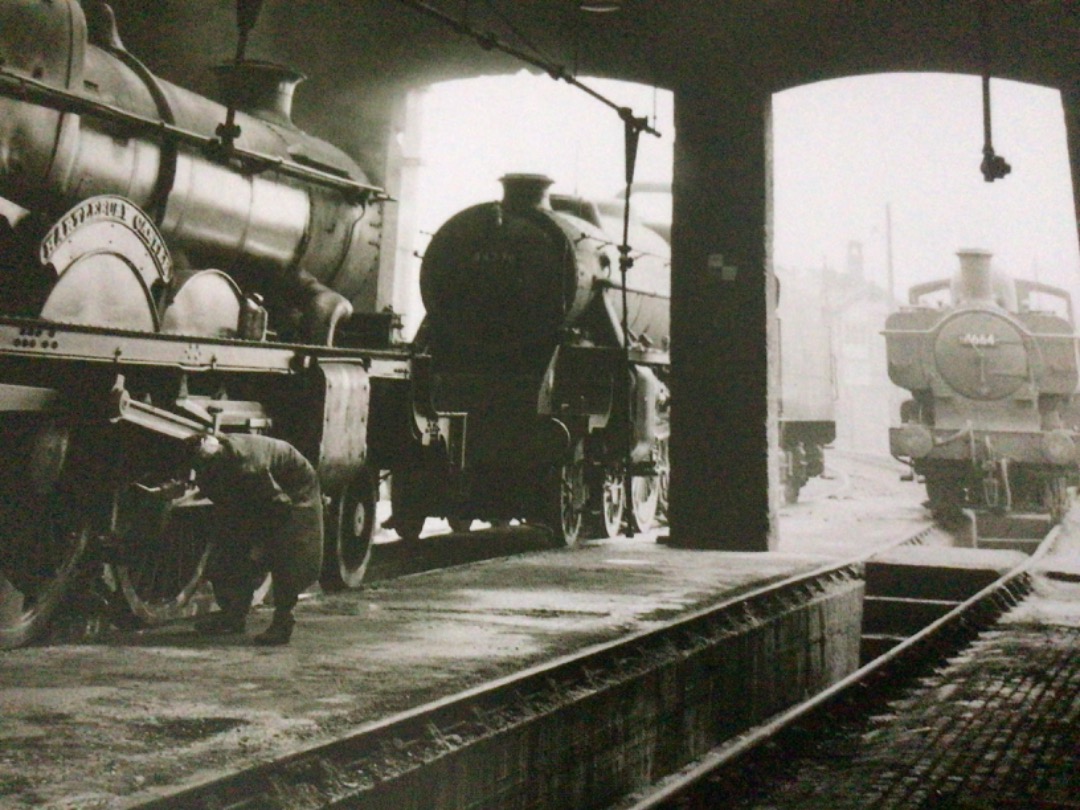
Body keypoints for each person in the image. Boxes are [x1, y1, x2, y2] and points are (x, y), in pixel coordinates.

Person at [183, 432, 324, 645]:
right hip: (261, 494)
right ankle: (233, 616)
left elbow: (276, 507)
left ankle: (283, 621)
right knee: (230, 545)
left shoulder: (248, 464)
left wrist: (258, 544)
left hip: (294, 493)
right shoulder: (215, 459)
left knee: (285, 554)